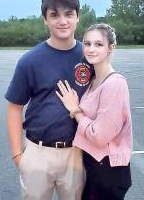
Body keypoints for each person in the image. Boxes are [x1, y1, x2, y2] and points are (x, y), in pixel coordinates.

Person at [5, 0, 93, 200]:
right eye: (54, 15)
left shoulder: (90, 57)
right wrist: (18, 155)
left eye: (69, 14)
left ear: (78, 17)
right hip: (38, 151)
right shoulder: (30, 61)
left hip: (77, 152)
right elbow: (15, 108)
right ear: (45, 19)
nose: (62, 21)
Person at [56, 23, 133, 200]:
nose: (91, 49)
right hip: (93, 165)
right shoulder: (94, 81)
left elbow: (99, 136)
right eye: (87, 43)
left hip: (108, 170)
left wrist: (75, 110)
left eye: (98, 44)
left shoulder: (115, 83)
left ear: (110, 48)